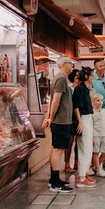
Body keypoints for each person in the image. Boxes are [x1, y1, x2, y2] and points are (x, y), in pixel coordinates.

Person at [42, 56, 74, 193]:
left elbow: (51, 100)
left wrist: (49, 116)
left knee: (56, 149)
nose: (72, 66)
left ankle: (54, 180)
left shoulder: (58, 79)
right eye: (70, 64)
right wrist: (51, 117)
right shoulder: (61, 79)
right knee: (58, 150)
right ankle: (55, 183)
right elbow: (55, 100)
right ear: (63, 65)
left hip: (59, 120)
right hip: (61, 121)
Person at [73, 67, 97, 188]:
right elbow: (76, 106)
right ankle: (81, 178)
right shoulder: (79, 88)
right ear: (86, 76)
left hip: (88, 119)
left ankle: (84, 174)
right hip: (83, 119)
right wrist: (80, 122)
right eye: (92, 75)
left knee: (88, 148)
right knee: (84, 149)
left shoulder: (86, 89)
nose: (93, 77)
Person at [91, 58, 105, 168]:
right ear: (95, 67)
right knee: (95, 139)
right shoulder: (93, 79)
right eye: (100, 66)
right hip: (95, 110)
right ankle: (93, 164)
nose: (102, 68)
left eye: (104, 65)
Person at [64, 69, 79, 173]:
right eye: (77, 76)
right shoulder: (69, 89)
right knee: (69, 142)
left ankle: (77, 162)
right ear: (73, 78)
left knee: (79, 141)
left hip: (79, 118)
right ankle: (67, 163)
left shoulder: (82, 89)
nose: (78, 78)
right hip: (70, 118)